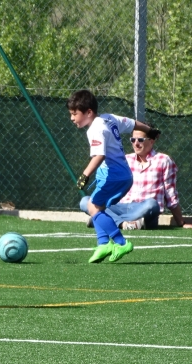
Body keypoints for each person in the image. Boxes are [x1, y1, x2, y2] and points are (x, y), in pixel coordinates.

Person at [67, 89, 152, 263]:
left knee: (93, 208)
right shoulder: (109, 118)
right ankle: (103, 244)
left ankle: (121, 242)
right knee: (97, 207)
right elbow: (132, 123)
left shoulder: (95, 129)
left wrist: (85, 175)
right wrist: (149, 130)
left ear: (88, 112)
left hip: (112, 176)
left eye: (75, 114)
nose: (72, 118)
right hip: (124, 175)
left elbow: (99, 155)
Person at [80, 126, 192, 230]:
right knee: (86, 201)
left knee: (152, 204)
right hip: (119, 206)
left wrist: (180, 222)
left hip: (144, 209)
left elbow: (170, 194)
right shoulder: (124, 160)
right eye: (133, 140)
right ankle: (123, 224)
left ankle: (102, 220)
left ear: (151, 141)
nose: (136, 143)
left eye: (140, 140)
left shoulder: (163, 160)